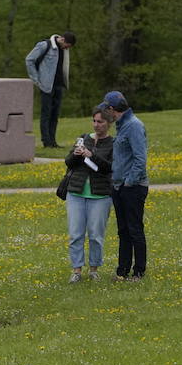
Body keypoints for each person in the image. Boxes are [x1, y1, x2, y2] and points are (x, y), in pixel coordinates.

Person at [100, 91, 149, 282]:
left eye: (107, 110)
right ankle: (122, 271)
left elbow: (140, 159)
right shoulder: (122, 126)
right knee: (123, 230)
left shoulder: (134, 126)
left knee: (135, 229)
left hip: (133, 187)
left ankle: (139, 271)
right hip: (119, 186)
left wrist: (129, 182)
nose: (106, 114)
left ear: (113, 109)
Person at [64, 106, 114, 283]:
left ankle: (94, 269)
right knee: (76, 234)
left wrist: (91, 155)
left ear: (109, 123)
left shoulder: (113, 143)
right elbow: (68, 162)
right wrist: (77, 155)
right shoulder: (84, 138)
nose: (96, 125)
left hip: (100, 195)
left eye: (100, 122)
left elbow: (109, 167)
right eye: (94, 121)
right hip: (76, 193)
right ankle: (76, 270)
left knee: (95, 235)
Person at [25, 31, 76, 147]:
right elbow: (29, 60)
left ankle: (53, 141)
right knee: (46, 113)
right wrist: (36, 79)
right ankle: (46, 141)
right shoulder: (45, 45)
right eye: (66, 46)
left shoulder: (64, 50)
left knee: (55, 114)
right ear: (62, 39)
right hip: (46, 85)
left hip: (59, 85)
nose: (66, 48)